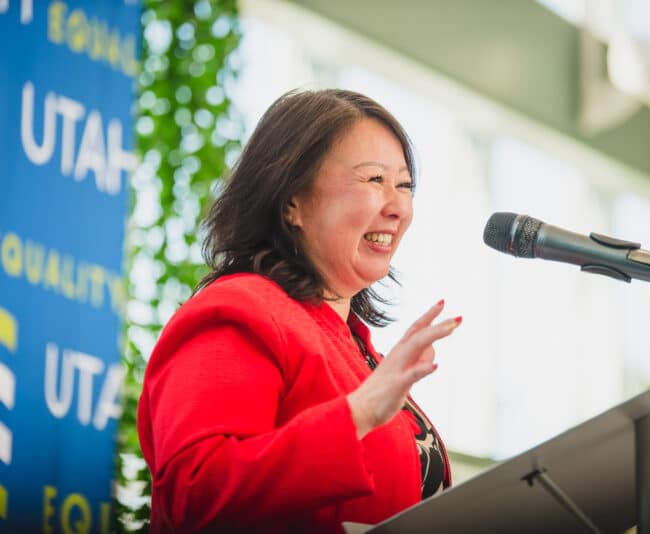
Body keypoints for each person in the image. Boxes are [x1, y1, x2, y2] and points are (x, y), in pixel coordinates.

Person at [137, 88, 462, 533]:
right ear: (293, 202)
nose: (398, 207)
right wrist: (357, 415)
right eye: (373, 180)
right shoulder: (237, 310)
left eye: (404, 185)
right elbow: (197, 494)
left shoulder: (359, 351)